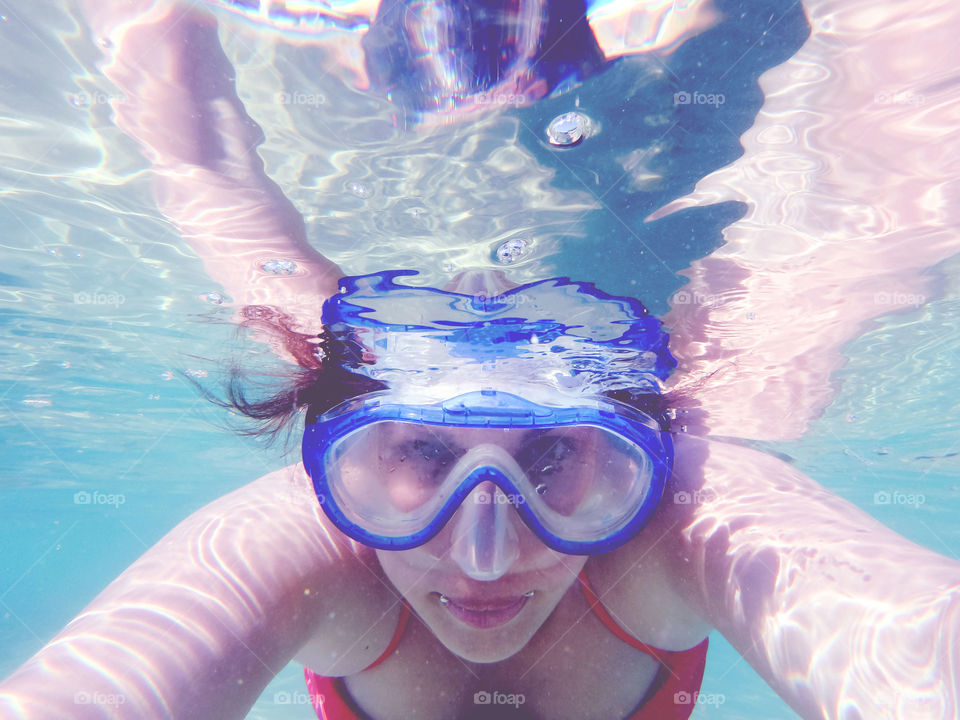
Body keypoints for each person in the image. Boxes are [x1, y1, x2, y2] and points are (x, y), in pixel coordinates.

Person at [2, 1, 960, 719]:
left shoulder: (680, 518)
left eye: (550, 458)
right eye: (422, 454)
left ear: (641, 455)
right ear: (340, 457)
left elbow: (912, 642)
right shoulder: (315, 544)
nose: (486, 555)